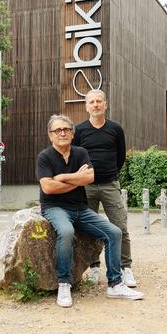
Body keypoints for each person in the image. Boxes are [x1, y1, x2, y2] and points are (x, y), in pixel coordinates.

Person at [37, 114, 144, 308]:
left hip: (80, 209)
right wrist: (75, 178)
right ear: (50, 135)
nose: (62, 133)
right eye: (57, 130)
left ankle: (115, 283)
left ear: (72, 133)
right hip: (55, 208)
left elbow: (88, 178)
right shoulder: (45, 157)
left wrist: (61, 177)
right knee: (67, 232)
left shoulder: (80, 153)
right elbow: (48, 188)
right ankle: (64, 283)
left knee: (114, 232)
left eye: (66, 129)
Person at [72, 89, 137, 287]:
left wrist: (109, 173)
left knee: (120, 227)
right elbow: (74, 157)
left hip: (110, 185)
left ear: (105, 104)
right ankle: (93, 268)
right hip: (87, 187)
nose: (95, 105)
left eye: (99, 101)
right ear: (86, 107)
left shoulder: (115, 129)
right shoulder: (80, 130)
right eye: (91, 102)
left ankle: (126, 269)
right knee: (88, 229)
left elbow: (121, 157)